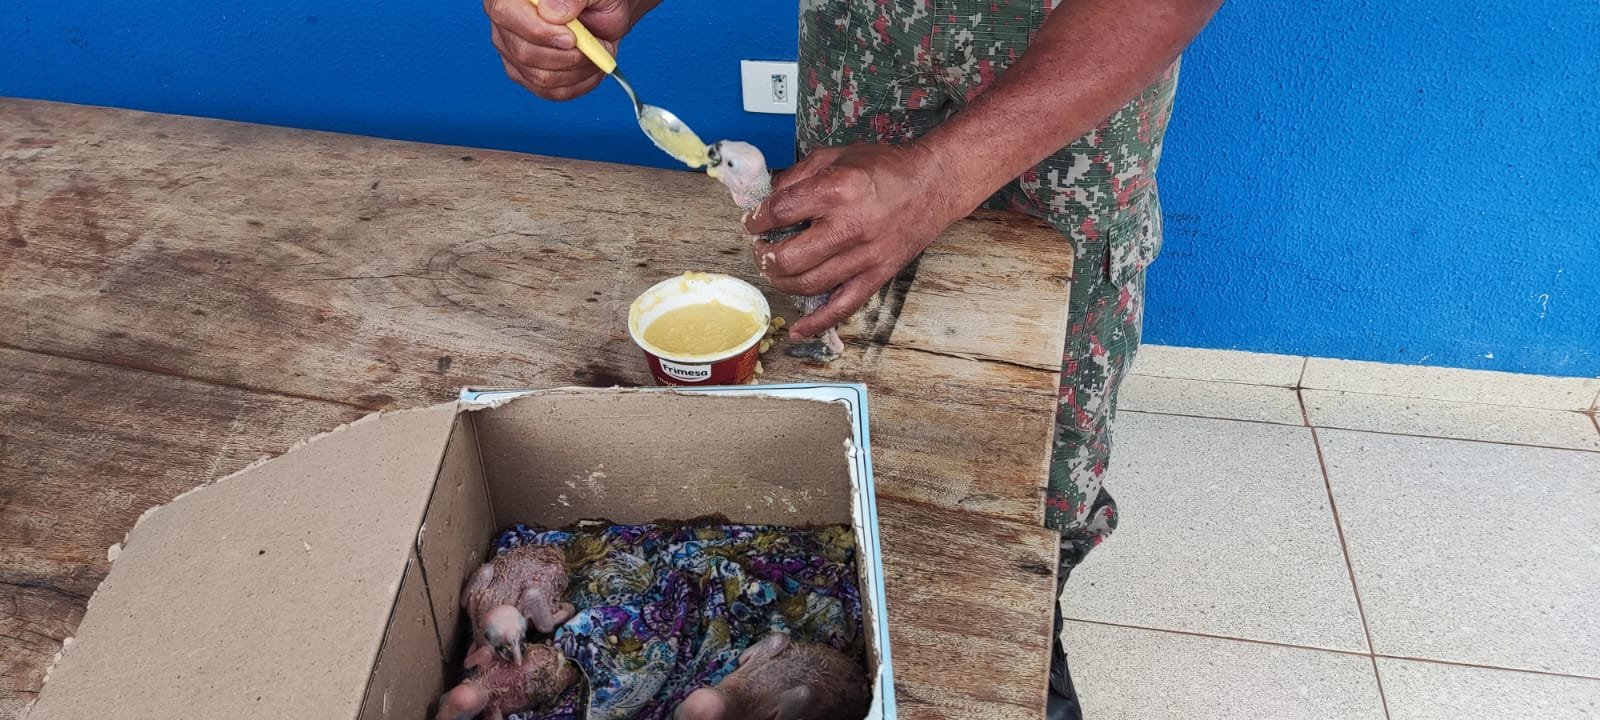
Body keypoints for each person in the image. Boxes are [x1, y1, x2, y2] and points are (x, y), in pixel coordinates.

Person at [484, 0, 1222, 716]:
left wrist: (938, 176)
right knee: (836, 461)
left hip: (1049, 175)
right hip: (854, 142)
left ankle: (1024, 647)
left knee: (1016, 510)